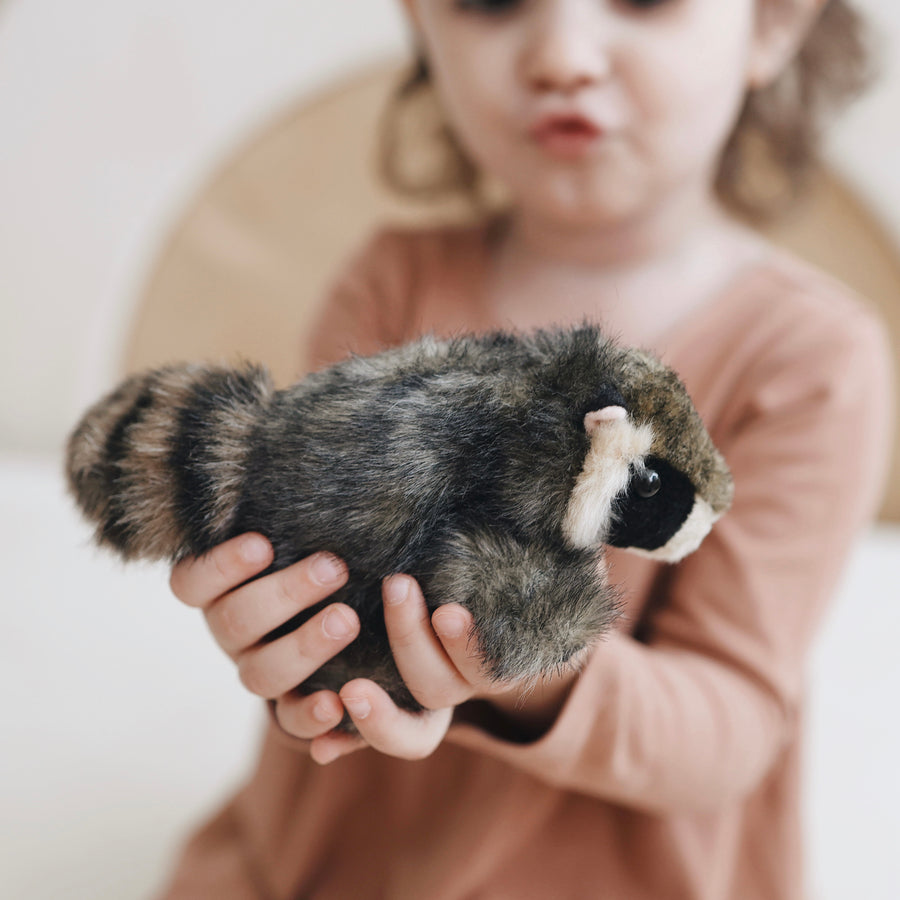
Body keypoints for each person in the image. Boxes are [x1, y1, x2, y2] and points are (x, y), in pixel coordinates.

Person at [160, 1, 894, 897]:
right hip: (328, 863)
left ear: (773, 24)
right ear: (421, 21)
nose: (562, 55)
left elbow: (727, 728)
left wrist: (520, 650)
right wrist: (282, 627)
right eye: (492, 0)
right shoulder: (390, 282)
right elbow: (311, 584)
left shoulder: (811, 361)